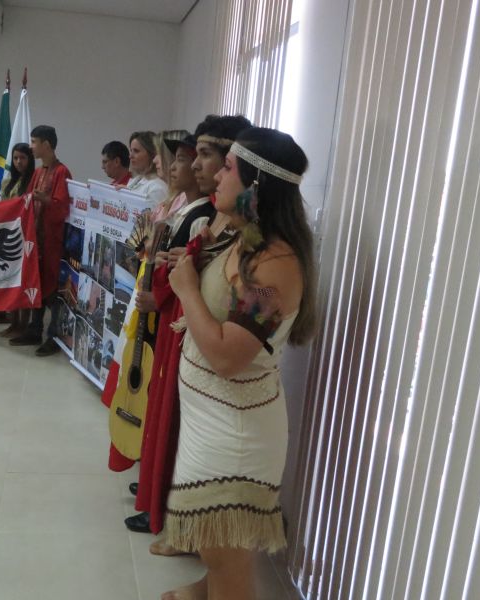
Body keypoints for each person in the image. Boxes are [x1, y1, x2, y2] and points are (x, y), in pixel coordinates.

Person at [162, 127, 316, 600]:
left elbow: (229, 356)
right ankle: (204, 590)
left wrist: (187, 290)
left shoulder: (275, 267)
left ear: (255, 185)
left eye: (227, 167)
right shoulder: (247, 237)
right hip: (214, 420)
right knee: (216, 549)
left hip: (236, 434)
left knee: (223, 551)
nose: (215, 176)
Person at [124, 118, 252, 541]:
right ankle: (168, 511)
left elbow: (235, 344)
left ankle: (178, 519)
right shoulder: (220, 225)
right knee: (170, 426)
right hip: (192, 347)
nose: (200, 168)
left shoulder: (266, 257)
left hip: (221, 373)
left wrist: (184, 280)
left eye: (219, 162)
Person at [8, 125, 72, 356]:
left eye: (34, 142)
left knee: (52, 290)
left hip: (52, 242)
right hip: (36, 240)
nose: (31, 146)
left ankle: (53, 337)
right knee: (36, 284)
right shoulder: (37, 172)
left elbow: (63, 209)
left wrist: (45, 200)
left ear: (46, 144)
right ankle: (34, 329)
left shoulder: (62, 172)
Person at [0, 143, 36, 328]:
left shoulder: (33, 182)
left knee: (23, 280)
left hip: (26, 236)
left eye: (23, 158)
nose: (18, 162)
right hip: (8, 236)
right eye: (15, 158)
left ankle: (23, 324)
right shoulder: (7, 183)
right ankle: (13, 323)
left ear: (30, 159)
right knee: (10, 280)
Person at [124, 131, 168, 208]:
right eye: (131, 150)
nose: (130, 156)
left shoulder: (157, 188)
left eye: (136, 151)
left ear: (152, 155)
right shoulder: (138, 179)